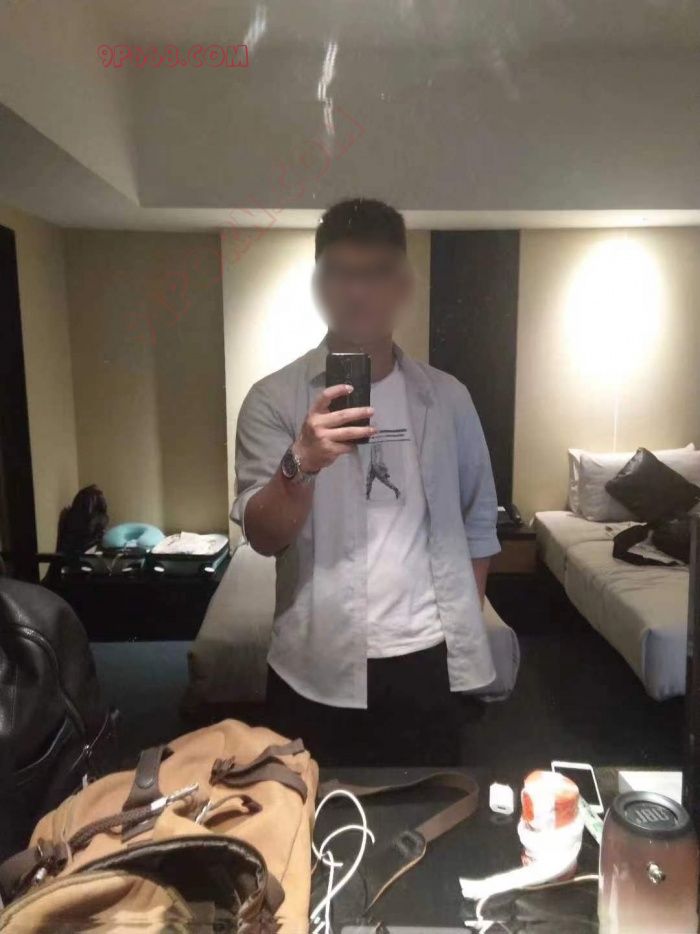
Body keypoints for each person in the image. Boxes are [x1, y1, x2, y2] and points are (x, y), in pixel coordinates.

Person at [232, 198, 500, 765]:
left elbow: (478, 519)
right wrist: (300, 463)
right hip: (313, 662)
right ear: (320, 284)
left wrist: (461, 619)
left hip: (427, 658)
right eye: (340, 273)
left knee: (429, 807)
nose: (358, 291)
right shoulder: (272, 399)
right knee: (303, 812)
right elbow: (263, 537)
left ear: (401, 285)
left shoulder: (447, 398)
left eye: (376, 272)